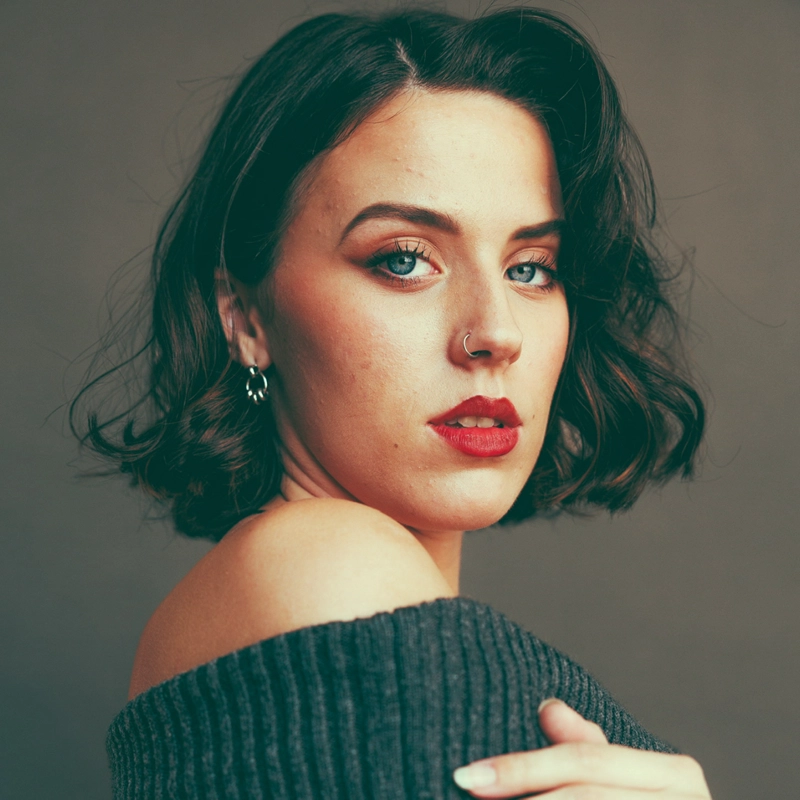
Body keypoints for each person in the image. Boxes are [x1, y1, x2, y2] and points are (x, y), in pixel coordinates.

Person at [73, 5, 713, 798]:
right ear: (245, 318)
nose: (496, 333)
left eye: (530, 268)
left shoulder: (322, 604)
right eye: (405, 260)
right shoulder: (321, 563)